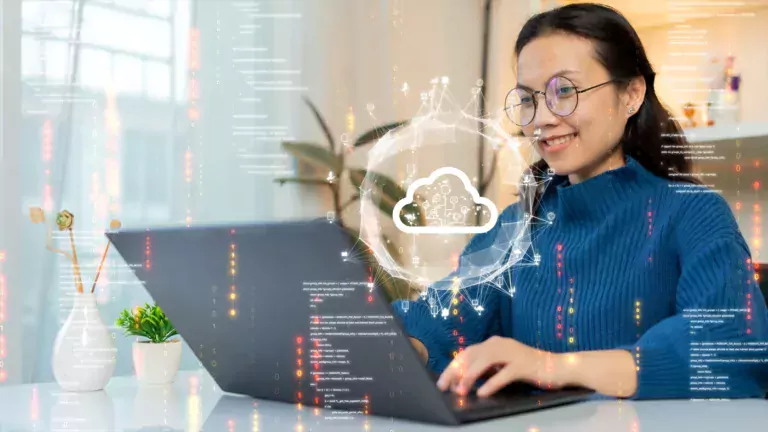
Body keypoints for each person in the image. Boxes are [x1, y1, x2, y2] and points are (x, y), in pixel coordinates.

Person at [393, 3, 768, 400]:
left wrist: (553, 367)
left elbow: (729, 342)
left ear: (632, 94)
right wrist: (394, 347)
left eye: (564, 91)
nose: (542, 119)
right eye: (528, 99)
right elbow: (437, 320)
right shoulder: (516, 227)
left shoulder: (693, 212)